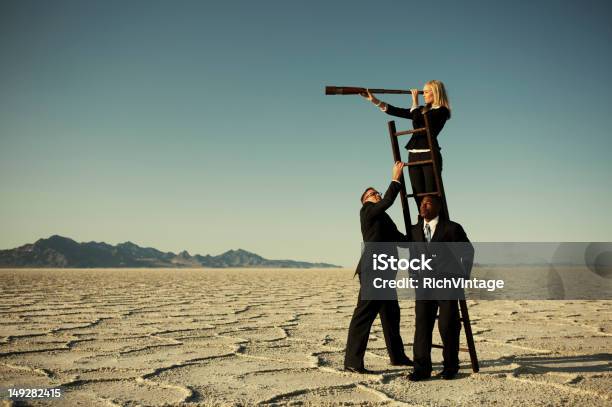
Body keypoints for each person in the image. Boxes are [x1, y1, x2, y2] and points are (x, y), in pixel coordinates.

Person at [344, 161, 413, 374]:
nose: (377, 195)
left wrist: (420, 231)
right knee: (364, 315)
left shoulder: (383, 218)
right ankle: (352, 363)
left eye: (378, 193)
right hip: (373, 270)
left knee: (391, 315)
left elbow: (402, 240)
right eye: (373, 194)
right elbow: (388, 201)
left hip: (385, 271)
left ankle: (398, 357)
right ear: (365, 200)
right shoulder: (367, 211)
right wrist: (396, 178)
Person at [407, 195, 472, 381]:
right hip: (424, 286)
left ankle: (450, 367)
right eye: (421, 204)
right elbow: (413, 255)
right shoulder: (415, 230)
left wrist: (462, 277)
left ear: (438, 207)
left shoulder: (452, 228)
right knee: (422, 328)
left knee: (448, 326)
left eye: (428, 203)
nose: (423, 206)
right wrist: (413, 276)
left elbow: (468, 251)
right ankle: (421, 369)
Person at [361, 80, 451, 210]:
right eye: (423, 92)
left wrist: (414, 101)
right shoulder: (421, 110)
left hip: (429, 154)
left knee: (431, 194)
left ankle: (437, 223)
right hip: (413, 155)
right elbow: (396, 111)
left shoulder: (442, 111)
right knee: (417, 194)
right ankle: (422, 221)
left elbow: (418, 121)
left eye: (426, 92)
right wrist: (374, 100)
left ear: (436, 93)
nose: (423, 95)